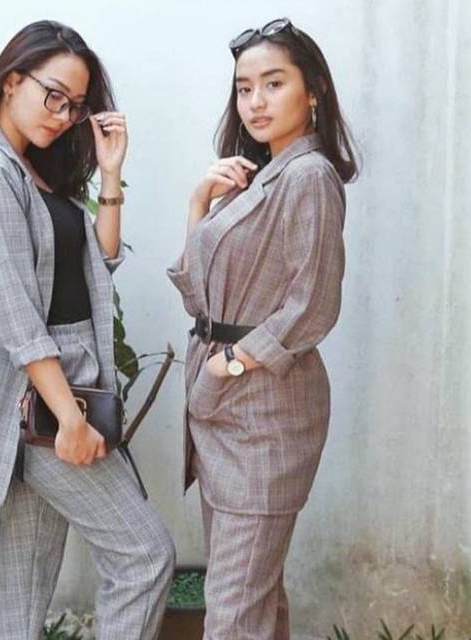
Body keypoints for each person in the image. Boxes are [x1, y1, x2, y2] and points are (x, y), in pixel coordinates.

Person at [0, 20, 175, 640]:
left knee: (24, 584)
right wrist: (68, 418)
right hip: (39, 400)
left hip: (59, 388)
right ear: (11, 81)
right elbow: (18, 316)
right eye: (54, 96)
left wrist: (111, 176)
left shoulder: (30, 168)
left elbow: (97, 265)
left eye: (75, 105)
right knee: (144, 557)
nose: (64, 116)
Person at [167, 18, 359, 639]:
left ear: (314, 90)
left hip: (265, 413)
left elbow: (313, 304)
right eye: (244, 88)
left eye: (274, 84)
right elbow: (198, 297)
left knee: (233, 610)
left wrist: (231, 364)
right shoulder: (259, 176)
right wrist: (199, 204)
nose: (255, 101)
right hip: (224, 407)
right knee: (255, 595)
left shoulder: (308, 176)